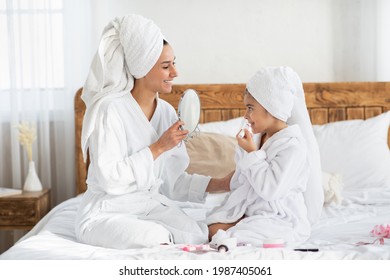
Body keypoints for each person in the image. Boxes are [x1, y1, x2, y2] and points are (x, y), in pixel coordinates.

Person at [75, 14, 230, 249]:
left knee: (194, 231)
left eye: (174, 63)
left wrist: (223, 183)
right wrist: (159, 147)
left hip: (148, 206)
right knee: (153, 236)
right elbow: (109, 178)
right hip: (107, 211)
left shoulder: (166, 112)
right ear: (142, 69)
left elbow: (173, 183)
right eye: (166, 66)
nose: (175, 73)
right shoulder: (110, 109)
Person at [206, 66, 323, 246]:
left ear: (272, 107)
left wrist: (252, 154)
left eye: (250, 108)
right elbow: (242, 180)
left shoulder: (293, 146)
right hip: (251, 210)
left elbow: (271, 189)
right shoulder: (258, 137)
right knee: (210, 228)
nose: (246, 115)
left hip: (280, 217)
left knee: (231, 236)